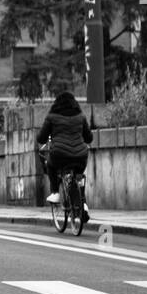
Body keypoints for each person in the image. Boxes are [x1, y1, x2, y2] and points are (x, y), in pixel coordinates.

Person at [36, 90, 93, 222]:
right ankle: (83, 204)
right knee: (79, 177)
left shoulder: (52, 117)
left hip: (59, 155)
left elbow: (41, 138)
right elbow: (89, 138)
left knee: (50, 164)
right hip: (80, 156)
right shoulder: (81, 116)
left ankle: (55, 192)